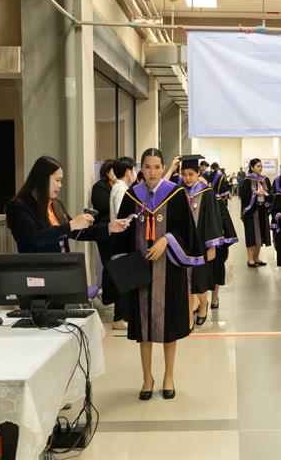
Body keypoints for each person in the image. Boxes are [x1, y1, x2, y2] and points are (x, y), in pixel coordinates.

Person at [113, 148, 204, 401]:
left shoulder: (174, 194)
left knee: (169, 326)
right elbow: (121, 232)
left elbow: (186, 231)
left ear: (163, 168)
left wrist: (166, 239)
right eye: (147, 166)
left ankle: (168, 375)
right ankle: (147, 377)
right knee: (143, 327)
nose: (151, 172)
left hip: (169, 268)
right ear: (140, 169)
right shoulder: (133, 195)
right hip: (141, 269)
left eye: (156, 167)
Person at [6, 156, 128, 254]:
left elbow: (77, 232)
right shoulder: (19, 207)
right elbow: (35, 238)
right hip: (38, 273)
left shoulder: (56, 204)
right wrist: (70, 226)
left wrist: (109, 228)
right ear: (43, 179)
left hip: (61, 269)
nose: (60, 185)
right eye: (57, 180)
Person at [179, 155, 223, 328]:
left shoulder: (207, 192)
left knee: (200, 280)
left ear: (198, 173)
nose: (187, 178)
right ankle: (189, 315)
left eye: (191, 174)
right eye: (184, 174)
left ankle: (203, 306)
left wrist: (212, 246)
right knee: (186, 282)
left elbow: (213, 220)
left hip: (201, 244)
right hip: (183, 245)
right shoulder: (179, 192)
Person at [108, 156, 137, 330]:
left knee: (128, 280)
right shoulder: (121, 190)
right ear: (128, 171)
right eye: (133, 170)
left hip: (123, 239)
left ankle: (124, 316)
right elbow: (123, 215)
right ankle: (119, 318)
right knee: (124, 281)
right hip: (122, 239)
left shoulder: (121, 188)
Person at [207, 162, 239, 309]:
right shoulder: (189, 199)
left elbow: (225, 222)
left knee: (216, 271)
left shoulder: (217, 200)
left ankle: (214, 297)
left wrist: (222, 241)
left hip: (215, 242)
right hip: (197, 244)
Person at [91, 159, 117, 307]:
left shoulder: (120, 186)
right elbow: (102, 205)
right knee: (108, 264)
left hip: (116, 230)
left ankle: (112, 295)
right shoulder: (99, 187)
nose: (115, 173)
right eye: (113, 170)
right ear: (107, 172)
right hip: (103, 230)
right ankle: (108, 297)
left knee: (114, 263)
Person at [239, 158, 272, 267]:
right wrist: (255, 193)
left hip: (262, 211)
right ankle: (250, 259)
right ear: (252, 167)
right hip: (251, 212)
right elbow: (243, 196)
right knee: (251, 235)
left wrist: (268, 201)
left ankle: (257, 258)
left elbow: (270, 193)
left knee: (260, 235)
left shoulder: (265, 179)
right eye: (257, 166)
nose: (260, 168)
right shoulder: (247, 180)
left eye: (261, 166)